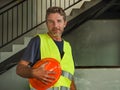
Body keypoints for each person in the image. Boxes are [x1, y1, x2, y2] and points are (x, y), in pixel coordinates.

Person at [16, 6, 76, 90]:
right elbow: (19, 69)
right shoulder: (38, 41)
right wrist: (33, 72)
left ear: (64, 23)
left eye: (59, 21)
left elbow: (69, 78)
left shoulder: (68, 46)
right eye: (51, 22)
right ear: (47, 24)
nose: (55, 25)